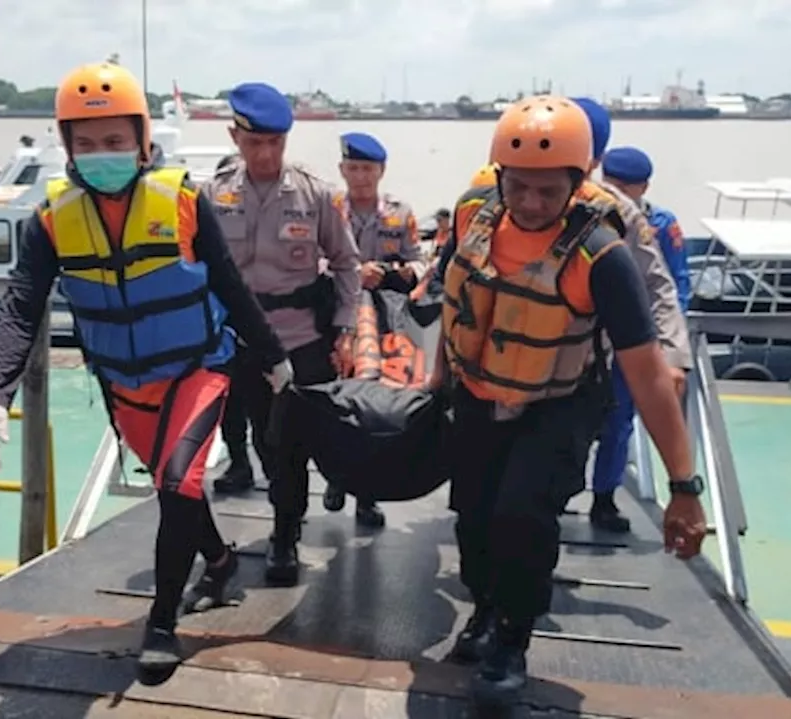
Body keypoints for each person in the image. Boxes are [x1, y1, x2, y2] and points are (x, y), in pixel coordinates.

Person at [0, 61, 291, 680]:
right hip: (123, 384)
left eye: (115, 141)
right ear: (66, 148)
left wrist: (273, 357)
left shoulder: (186, 202)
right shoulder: (50, 222)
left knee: (177, 481)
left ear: (143, 140)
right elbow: (20, 306)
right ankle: (220, 563)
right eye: (85, 144)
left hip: (198, 368)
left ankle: (162, 623)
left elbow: (230, 286)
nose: (102, 155)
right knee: (180, 488)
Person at [429, 95, 707, 705]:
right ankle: (483, 609)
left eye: (548, 192)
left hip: (559, 401)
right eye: (518, 188)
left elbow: (646, 370)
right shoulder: (473, 218)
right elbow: (458, 305)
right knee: (473, 517)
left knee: (522, 515)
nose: (530, 204)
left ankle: (512, 639)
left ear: (578, 185)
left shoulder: (601, 256)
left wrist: (684, 486)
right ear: (498, 178)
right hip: (479, 393)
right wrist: (434, 390)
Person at [202, 82, 361, 586]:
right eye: (254, 143)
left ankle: (285, 536)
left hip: (299, 341)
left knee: (290, 441)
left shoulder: (314, 196)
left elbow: (347, 262)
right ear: (235, 137)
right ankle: (283, 510)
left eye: (275, 143)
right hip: (240, 341)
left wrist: (345, 328)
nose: (266, 154)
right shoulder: (214, 193)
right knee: (260, 439)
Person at [572, 97, 692, 532]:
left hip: (623, 336)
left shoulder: (641, 220)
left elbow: (668, 285)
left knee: (619, 418)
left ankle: (603, 496)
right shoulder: (520, 199)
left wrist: (671, 352)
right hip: (566, 335)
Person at [315, 131, 426, 527]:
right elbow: (308, 261)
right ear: (343, 170)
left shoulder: (400, 213)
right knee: (337, 396)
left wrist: (391, 274)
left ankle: (365, 494)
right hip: (339, 317)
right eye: (354, 168)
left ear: (381, 171)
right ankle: (335, 478)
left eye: (368, 169)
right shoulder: (326, 208)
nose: (360, 176)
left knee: (373, 402)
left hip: (384, 321)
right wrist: (347, 272)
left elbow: (420, 266)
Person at [211, 151, 257, 493]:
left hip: (268, 323)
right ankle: (240, 463)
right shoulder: (207, 216)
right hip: (223, 326)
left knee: (272, 411)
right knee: (231, 403)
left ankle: (281, 480)